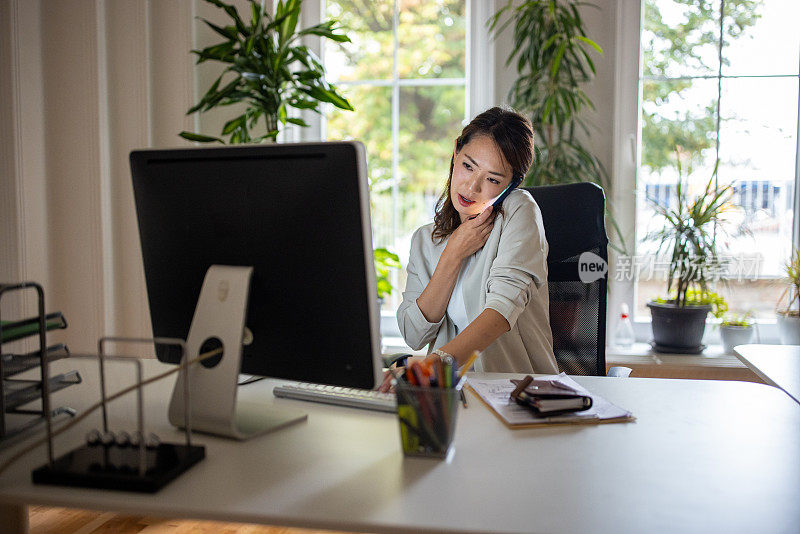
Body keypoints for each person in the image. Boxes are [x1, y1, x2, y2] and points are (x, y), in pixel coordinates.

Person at [381, 107, 557, 390]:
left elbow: (501, 311)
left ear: (510, 185)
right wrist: (453, 253)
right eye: (468, 166)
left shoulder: (519, 211)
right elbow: (413, 335)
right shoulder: (425, 241)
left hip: (520, 393)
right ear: (455, 153)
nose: (472, 187)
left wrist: (431, 366)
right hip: (457, 396)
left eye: (492, 180)